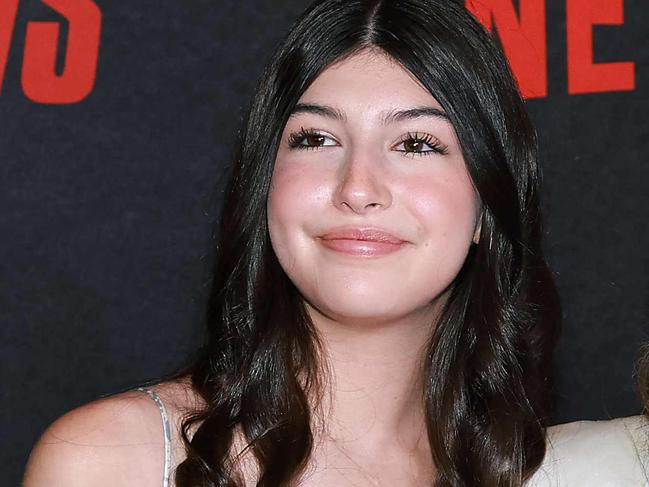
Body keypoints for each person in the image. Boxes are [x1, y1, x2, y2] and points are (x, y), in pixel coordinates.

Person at [21, 0, 648, 486]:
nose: (357, 187)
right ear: (265, 186)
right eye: (316, 139)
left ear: (488, 205)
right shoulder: (110, 461)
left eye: (416, 144)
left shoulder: (552, 473)